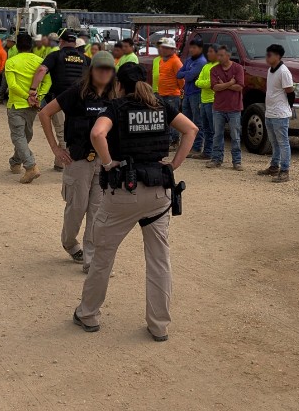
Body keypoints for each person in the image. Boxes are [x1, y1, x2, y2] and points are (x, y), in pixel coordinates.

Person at [73, 62, 198, 341]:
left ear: (120, 85)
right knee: (159, 260)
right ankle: (159, 325)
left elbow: (97, 134)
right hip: (158, 194)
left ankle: (88, 314)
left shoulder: (116, 109)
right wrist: (173, 165)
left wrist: (107, 163)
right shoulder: (162, 106)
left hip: (123, 192)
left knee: (103, 257)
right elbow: (191, 130)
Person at [39, 51, 117, 270]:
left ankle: (90, 259)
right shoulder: (76, 93)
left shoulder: (114, 97)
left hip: (103, 163)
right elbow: (45, 113)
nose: (104, 73)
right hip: (79, 162)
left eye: (108, 69)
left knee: (97, 211)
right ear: (92, 71)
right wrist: (56, 148)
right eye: (100, 68)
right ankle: (70, 243)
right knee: (76, 208)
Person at [29, 31, 90, 170]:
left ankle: (64, 162)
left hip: (61, 99)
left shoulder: (55, 55)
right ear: (74, 43)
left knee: (62, 131)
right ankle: (64, 161)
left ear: (61, 42)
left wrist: (33, 89)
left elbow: (41, 70)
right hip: (82, 100)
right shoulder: (85, 59)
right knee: (79, 130)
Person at [4, 33, 52, 184]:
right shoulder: (40, 62)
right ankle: (15, 162)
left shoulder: (11, 62)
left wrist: (26, 97)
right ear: (31, 46)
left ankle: (30, 166)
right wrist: (38, 97)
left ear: (17, 46)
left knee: (19, 137)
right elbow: (48, 82)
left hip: (17, 104)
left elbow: (12, 85)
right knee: (26, 136)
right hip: (33, 106)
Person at [257, 44, 295, 183]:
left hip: (280, 114)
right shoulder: (270, 70)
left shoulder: (283, 72)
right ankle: (274, 166)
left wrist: (288, 109)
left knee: (283, 142)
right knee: (274, 142)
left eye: (270, 55)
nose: (267, 58)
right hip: (270, 112)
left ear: (278, 56)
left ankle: (285, 170)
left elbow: (290, 92)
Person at [207, 45, 245, 170]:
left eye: (221, 55)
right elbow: (214, 87)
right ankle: (216, 159)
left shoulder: (238, 68)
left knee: (235, 135)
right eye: (218, 55)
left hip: (234, 108)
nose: (218, 57)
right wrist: (230, 83)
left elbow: (240, 86)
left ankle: (237, 161)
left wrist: (223, 84)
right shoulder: (214, 70)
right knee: (217, 135)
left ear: (228, 56)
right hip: (218, 108)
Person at [177, 37, 207, 157]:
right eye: (190, 47)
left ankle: (197, 147)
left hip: (196, 94)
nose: (191, 50)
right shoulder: (189, 60)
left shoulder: (201, 62)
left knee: (197, 121)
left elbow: (188, 77)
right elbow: (178, 74)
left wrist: (187, 74)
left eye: (194, 48)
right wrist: (187, 74)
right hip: (188, 93)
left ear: (200, 49)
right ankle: (188, 146)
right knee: (186, 121)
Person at [152, 38, 184, 146]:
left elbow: (181, 79)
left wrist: (178, 89)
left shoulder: (176, 61)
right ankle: (169, 140)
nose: (164, 50)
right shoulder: (162, 60)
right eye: (163, 47)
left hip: (172, 94)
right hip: (162, 93)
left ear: (172, 50)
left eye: (167, 48)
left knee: (172, 119)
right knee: (165, 118)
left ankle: (174, 141)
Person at [193, 43, 219, 160]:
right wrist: (201, 83)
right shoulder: (206, 66)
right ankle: (207, 152)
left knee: (214, 130)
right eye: (208, 51)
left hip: (213, 101)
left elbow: (210, 83)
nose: (208, 53)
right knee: (206, 129)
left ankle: (215, 154)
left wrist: (201, 83)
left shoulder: (218, 67)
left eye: (211, 51)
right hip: (203, 101)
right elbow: (197, 81)